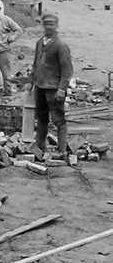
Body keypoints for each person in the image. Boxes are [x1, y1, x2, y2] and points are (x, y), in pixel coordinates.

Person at [31, 13, 75, 159]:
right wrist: (32, 82)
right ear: (43, 25)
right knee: (41, 118)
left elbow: (67, 69)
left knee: (58, 119)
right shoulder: (39, 42)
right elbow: (35, 63)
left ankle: (61, 149)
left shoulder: (60, 45)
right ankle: (40, 147)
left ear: (56, 26)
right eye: (46, 24)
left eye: (52, 24)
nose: (49, 27)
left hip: (54, 88)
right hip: (40, 86)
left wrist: (62, 88)